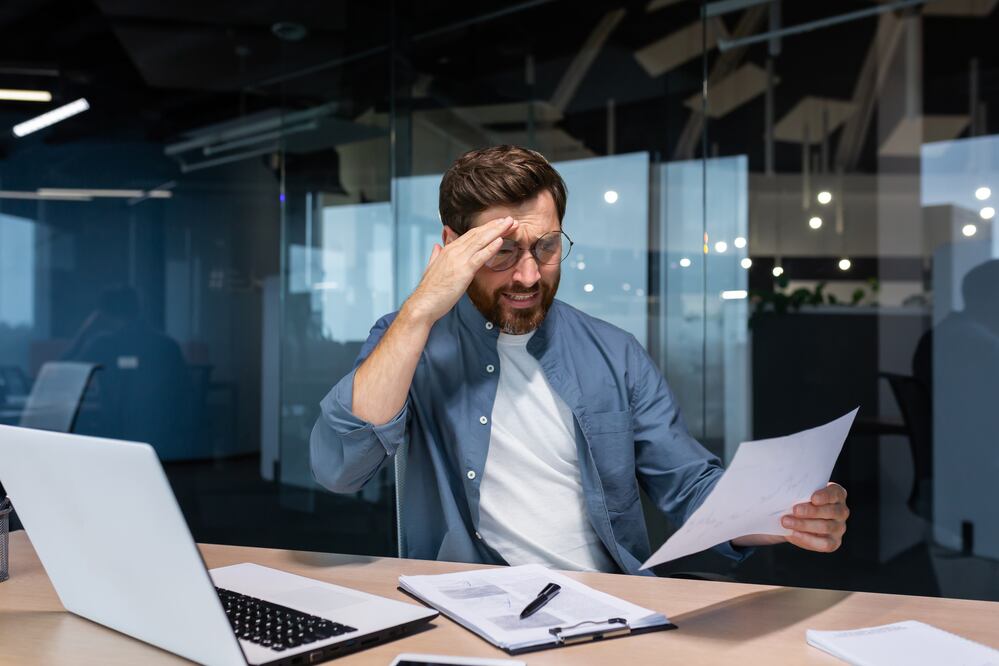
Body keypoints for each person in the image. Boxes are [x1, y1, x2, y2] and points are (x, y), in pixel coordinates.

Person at [310, 145, 849, 574]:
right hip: (463, 608)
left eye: (545, 248)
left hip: (604, 609)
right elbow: (339, 467)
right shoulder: (408, 340)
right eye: (501, 252)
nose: (527, 275)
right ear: (454, 246)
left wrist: (785, 516)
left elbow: (688, 488)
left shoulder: (614, 353)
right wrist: (423, 307)